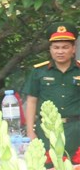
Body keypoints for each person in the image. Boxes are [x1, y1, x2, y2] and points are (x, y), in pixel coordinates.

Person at [24, 23, 80, 161]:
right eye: (56, 48)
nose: (60, 51)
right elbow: (31, 101)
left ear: (74, 49)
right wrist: (30, 131)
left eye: (65, 47)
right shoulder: (39, 72)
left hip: (76, 130)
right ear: (50, 49)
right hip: (46, 131)